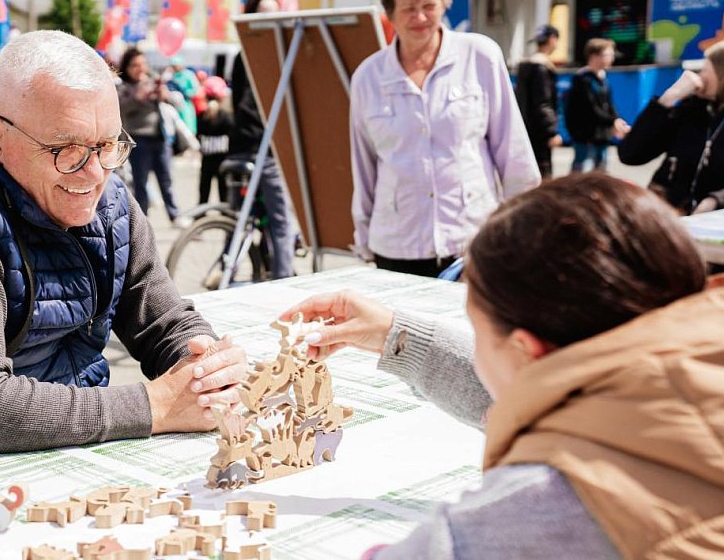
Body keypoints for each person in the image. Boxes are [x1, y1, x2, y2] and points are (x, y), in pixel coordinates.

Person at [283, 173, 724, 558]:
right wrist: (397, 336)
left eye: (478, 333)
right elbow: (565, 398)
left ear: (526, 350)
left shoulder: (509, 524)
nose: (477, 349)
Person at [0, 31, 248, 454]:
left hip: (64, 453)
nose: (95, 173)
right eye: (65, 149)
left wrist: (205, 367)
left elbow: (163, 320)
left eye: (107, 145)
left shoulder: (110, 199)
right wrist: (154, 406)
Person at [350, 0, 540, 278]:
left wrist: (522, 230)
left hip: (472, 240)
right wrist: (364, 235)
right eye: (408, 9)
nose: (420, 17)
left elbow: (513, 151)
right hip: (397, 246)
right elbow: (363, 164)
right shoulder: (368, 76)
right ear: (390, 13)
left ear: (444, 4)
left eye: (428, 6)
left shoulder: (480, 56)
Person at [228, 0, 299, 280]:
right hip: (264, 149)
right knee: (283, 224)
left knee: (238, 219)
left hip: (238, 148)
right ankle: (284, 283)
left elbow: (238, 104)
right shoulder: (278, 54)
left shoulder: (241, 55)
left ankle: (226, 265)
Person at [619, 40, 724, 214]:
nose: (700, 75)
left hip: (711, 225)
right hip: (666, 216)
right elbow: (631, 154)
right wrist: (666, 100)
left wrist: (715, 200)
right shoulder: (690, 110)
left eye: (706, 69)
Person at [117, 48, 184, 225]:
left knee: (166, 178)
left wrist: (164, 95)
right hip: (138, 139)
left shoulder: (154, 82)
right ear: (127, 67)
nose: (140, 69)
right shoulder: (123, 86)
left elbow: (179, 104)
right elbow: (120, 108)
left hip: (160, 137)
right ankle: (142, 220)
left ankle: (174, 214)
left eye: (142, 64)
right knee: (141, 182)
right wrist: (137, 97)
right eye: (135, 65)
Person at [565, 38, 630, 173]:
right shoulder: (582, 79)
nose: (611, 59)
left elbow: (609, 104)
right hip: (585, 136)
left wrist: (617, 119)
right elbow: (591, 108)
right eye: (607, 55)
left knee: (600, 172)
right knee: (581, 173)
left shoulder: (603, 77)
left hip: (602, 135)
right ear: (593, 56)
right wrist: (612, 121)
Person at [515, 25, 562, 178]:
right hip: (540, 133)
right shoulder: (541, 68)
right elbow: (543, 102)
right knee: (543, 176)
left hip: (525, 129)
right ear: (552, 40)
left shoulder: (525, 66)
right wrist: (551, 131)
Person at [196, 76, 233, 205]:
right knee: (224, 192)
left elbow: (198, 135)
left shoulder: (201, 116)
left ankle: (201, 215)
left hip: (207, 158)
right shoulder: (227, 117)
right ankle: (227, 217)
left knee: (204, 190)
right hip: (223, 158)